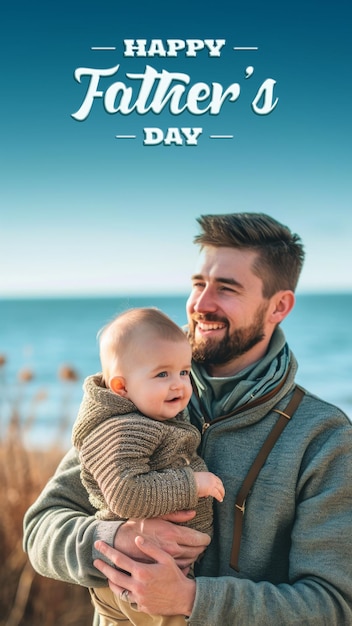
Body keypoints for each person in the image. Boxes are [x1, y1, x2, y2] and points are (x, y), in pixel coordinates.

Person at [23, 213, 352, 625]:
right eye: (198, 284)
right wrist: (114, 539)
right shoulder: (132, 393)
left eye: (226, 289)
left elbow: (333, 606)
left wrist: (193, 599)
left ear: (279, 306)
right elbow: (40, 529)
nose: (201, 304)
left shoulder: (322, 436)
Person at [71, 307, 224, 625]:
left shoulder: (148, 415)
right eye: (162, 374)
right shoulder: (122, 428)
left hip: (153, 577)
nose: (179, 385)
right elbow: (125, 493)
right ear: (121, 387)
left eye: (184, 372)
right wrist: (194, 484)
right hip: (138, 579)